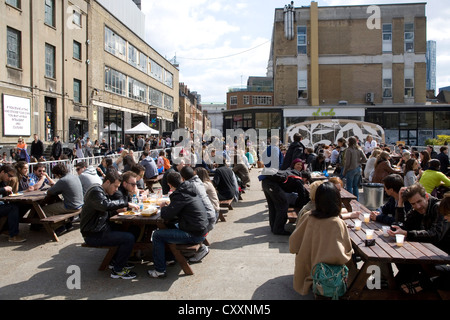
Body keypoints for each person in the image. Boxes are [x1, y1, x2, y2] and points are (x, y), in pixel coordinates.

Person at [289, 182, 353, 297]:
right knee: (353, 263)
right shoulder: (337, 223)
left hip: (307, 270)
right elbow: (344, 254)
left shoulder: (308, 217)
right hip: (327, 275)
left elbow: (293, 244)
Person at [148, 172, 209, 278]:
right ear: (182, 179)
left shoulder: (180, 195)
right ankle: (170, 258)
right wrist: (170, 207)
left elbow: (166, 215)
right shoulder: (189, 190)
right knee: (169, 227)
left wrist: (163, 207)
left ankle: (159, 270)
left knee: (157, 235)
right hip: (200, 229)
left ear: (170, 185)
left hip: (194, 234)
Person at [80, 170, 139, 279]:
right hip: (93, 234)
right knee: (128, 238)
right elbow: (105, 205)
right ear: (107, 182)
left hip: (100, 229)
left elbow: (104, 210)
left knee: (133, 229)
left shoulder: (101, 191)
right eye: (115, 186)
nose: (116, 189)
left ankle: (116, 261)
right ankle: (118, 270)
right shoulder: (95, 191)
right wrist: (126, 203)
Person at [389, 183, 449, 289]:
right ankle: (393, 286)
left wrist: (408, 233)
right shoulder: (417, 210)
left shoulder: (438, 207)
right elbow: (402, 226)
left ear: (426, 197)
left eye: (419, 201)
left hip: (440, 255)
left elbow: (435, 235)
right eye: (413, 204)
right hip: (425, 252)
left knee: (409, 267)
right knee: (403, 263)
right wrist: (400, 203)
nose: (417, 206)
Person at [42, 163, 84, 235]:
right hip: (80, 204)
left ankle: (58, 227)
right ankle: (68, 224)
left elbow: (50, 192)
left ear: (58, 174)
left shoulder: (63, 180)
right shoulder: (73, 176)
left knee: (44, 210)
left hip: (71, 206)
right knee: (55, 205)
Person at [0, 165, 27, 243]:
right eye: (9, 175)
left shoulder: (2, 182)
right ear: (2, 172)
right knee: (12, 208)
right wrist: (4, 189)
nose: (9, 178)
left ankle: (6, 228)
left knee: (22, 205)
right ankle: (13, 236)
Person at [342, 136, 367, 201]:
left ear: (349, 142)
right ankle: (356, 200)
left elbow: (347, 163)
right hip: (358, 168)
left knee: (349, 186)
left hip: (351, 169)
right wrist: (359, 162)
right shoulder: (359, 149)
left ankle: (350, 200)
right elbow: (365, 159)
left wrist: (344, 171)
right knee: (355, 186)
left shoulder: (349, 150)